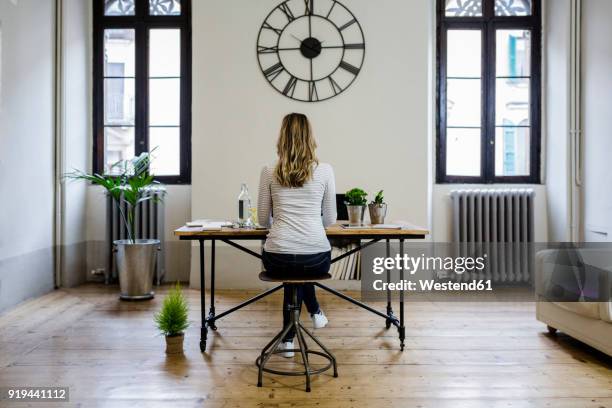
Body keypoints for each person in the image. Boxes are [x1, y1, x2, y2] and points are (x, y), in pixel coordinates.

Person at [257, 113, 337, 358]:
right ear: (310, 137)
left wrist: (283, 225)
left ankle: (288, 340)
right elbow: (330, 219)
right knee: (302, 267)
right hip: (316, 257)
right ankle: (313, 312)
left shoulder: (269, 170)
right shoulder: (324, 171)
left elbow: (262, 220)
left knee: (292, 271)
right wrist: (309, 224)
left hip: (277, 257)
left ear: (282, 137)